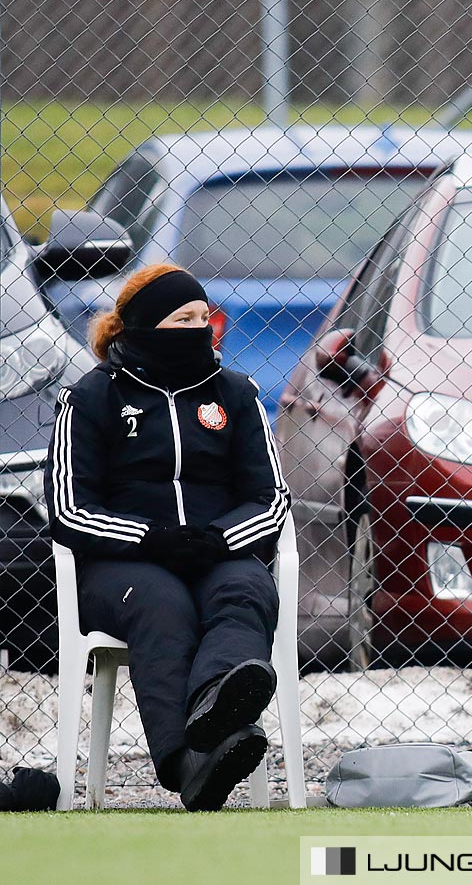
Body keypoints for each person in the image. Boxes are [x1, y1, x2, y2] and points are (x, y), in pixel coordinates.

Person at [44, 264, 290, 811]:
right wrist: (151, 539)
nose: (200, 327)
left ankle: (214, 706)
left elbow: (271, 497)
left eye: (206, 317)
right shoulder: (91, 398)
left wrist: (220, 539)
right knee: (162, 602)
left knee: (246, 590)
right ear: (145, 326)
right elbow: (67, 508)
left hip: (216, 552)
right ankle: (184, 762)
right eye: (184, 318)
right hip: (123, 566)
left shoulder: (236, 393)